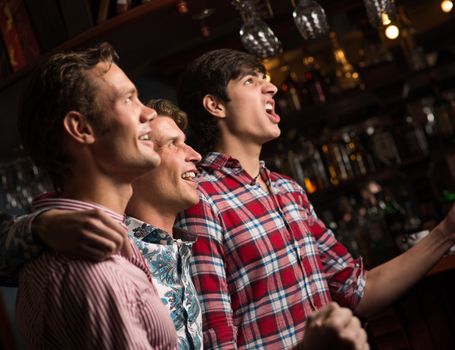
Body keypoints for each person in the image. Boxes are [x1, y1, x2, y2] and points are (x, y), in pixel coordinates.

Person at [0, 96, 370, 350]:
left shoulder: (182, 250)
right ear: (139, 161)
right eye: (173, 144)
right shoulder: (102, 249)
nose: (195, 156)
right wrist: (38, 226)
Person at [173, 48, 455, 349]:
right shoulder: (200, 199)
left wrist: (446, 232)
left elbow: (358, 291)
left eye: (265, 79)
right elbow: (217, 341)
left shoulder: (288, 190)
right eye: (250, 81)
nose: (271, 87)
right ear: (215, 105)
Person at [12, 43, 177, 349]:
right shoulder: (96, 271)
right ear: (80, 128)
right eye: (129, 99)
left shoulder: (84, 248)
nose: (149, 112)